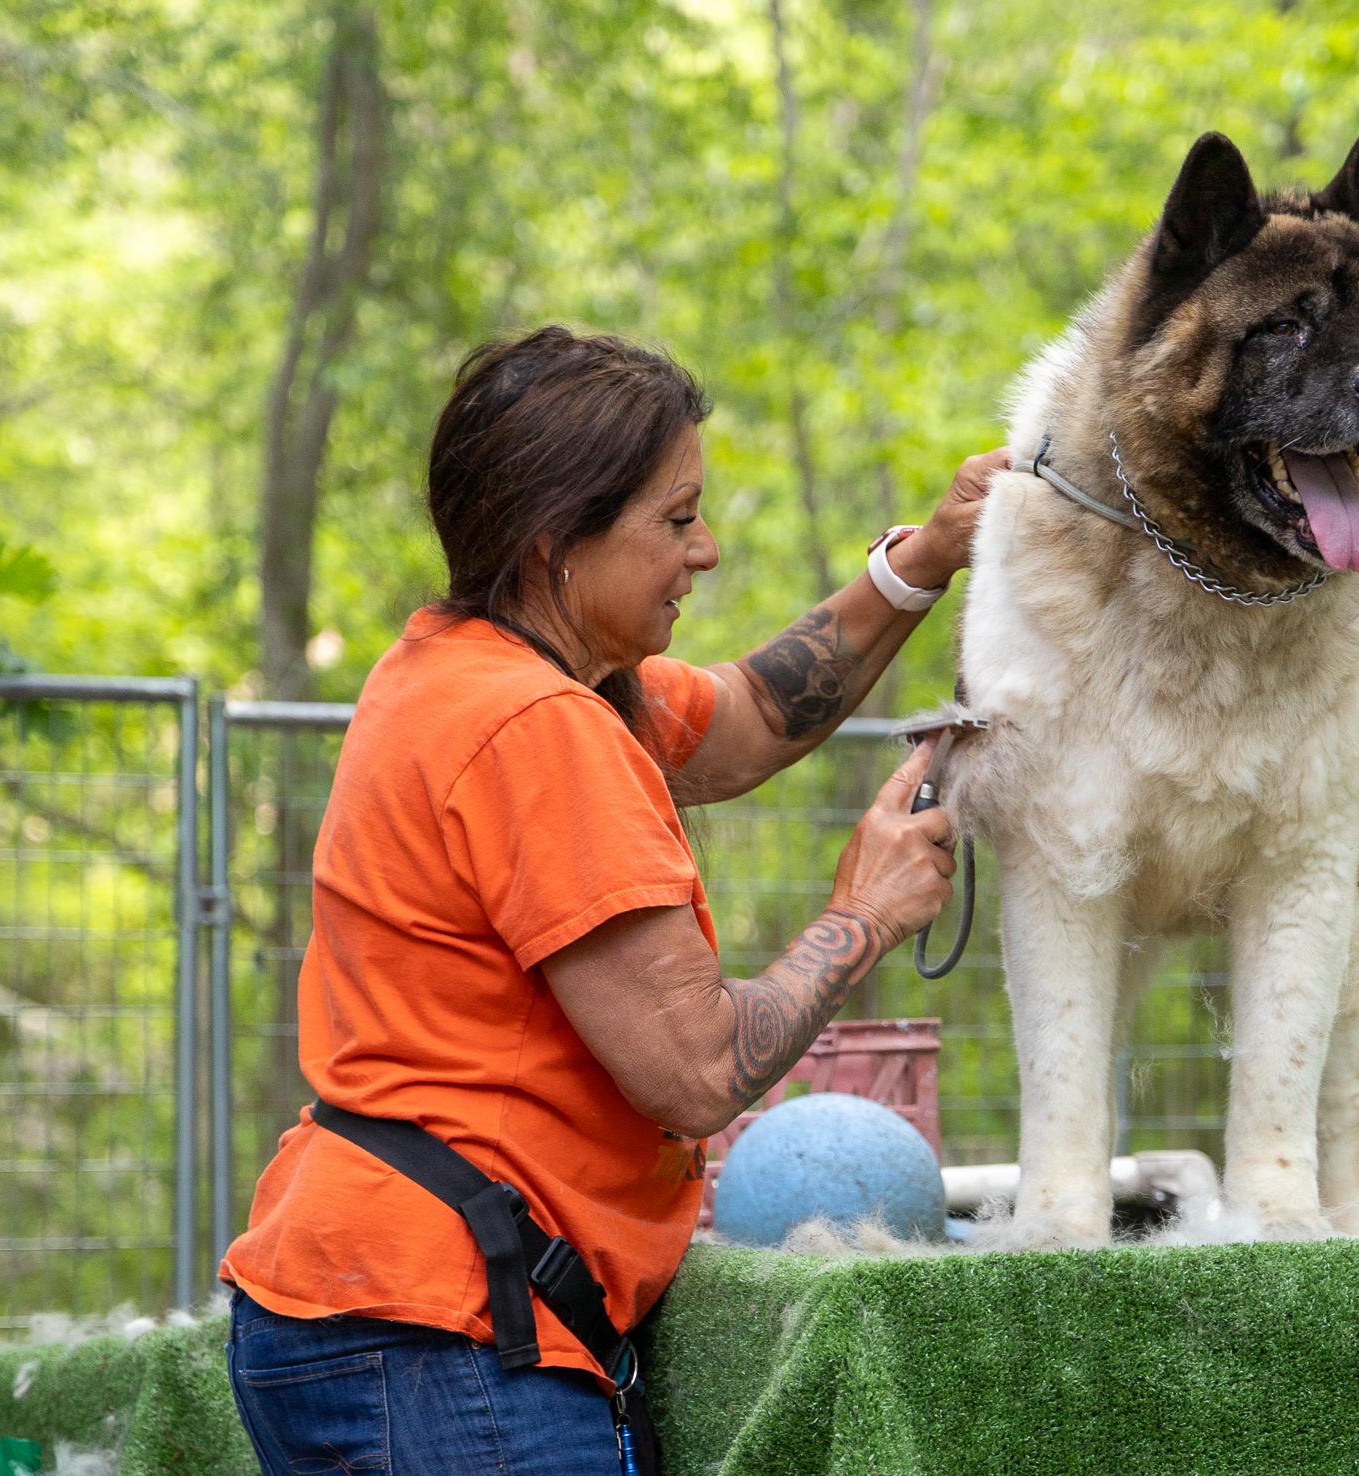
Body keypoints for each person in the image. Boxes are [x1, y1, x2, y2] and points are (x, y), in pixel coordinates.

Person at [219, 325, 1009, 1475]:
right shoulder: (535, 730)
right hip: (438, 1337)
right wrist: (867, 912)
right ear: (555, 542)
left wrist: (922, 559)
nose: (709, 551)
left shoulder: (468, 666)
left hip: (374, 1305)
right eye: (676, 520)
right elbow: (694, 1074)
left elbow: (744, 720)